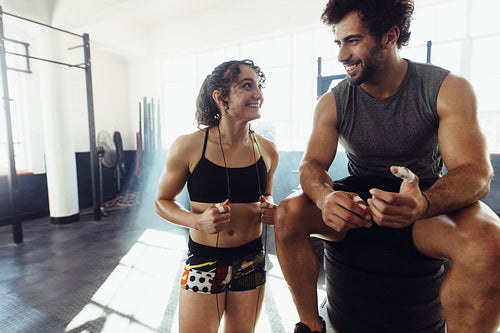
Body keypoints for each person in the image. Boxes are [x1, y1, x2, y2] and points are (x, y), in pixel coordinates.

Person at [274, 0, 500, 332]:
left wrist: (425, 202)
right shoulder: (333, 101)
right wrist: (324, 198)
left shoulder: (445, 88)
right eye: (338, 42)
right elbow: (311, 164)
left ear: (389, 37)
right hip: (359, 201)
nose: (341, 56)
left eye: (352, 41)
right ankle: (310, 326)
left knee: (490, 243)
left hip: (422, 197)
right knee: (286, 215)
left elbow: (477, 172)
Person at [155, 59, 278, 333]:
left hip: (252, 260)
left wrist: (270, 207)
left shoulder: (268, 149)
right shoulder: (188, 146)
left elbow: (266, 195)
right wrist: (197, 222)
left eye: (258, 86)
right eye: (247, 86)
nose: (258, 94)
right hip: (205, 261)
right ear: (221, 98)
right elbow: (162, 201)